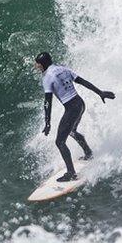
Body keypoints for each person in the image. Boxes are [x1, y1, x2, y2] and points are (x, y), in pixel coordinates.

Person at [34, 51, 115, 182]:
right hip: (80, 104)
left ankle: (71, 173)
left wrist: (47, 122)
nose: (36, 66)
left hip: (71, 108)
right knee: (71, 131)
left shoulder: (47, 77)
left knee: (60, 142)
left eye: (37, 64)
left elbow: (47, 102)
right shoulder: (63, 69)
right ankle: (88, 153)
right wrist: (100, 92)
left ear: (42, 64)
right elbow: (83, 82)